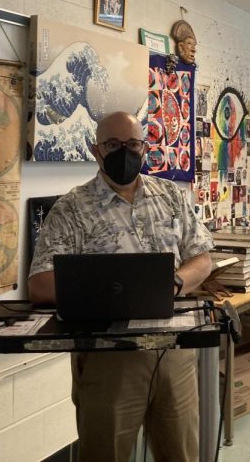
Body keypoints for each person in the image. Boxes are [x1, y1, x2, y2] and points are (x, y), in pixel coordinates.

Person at [28, 111, 213, 462]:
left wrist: (172, 283)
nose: (123, 152)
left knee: (182, 454)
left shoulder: (170, 195)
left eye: (132, 144)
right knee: (105, 454)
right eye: (113, 144)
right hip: (108, 357)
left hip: (172, 350)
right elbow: (39, 285)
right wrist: (108, 291)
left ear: (144, 148)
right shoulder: (71, 209)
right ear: (96, 150)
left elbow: (202, 259)